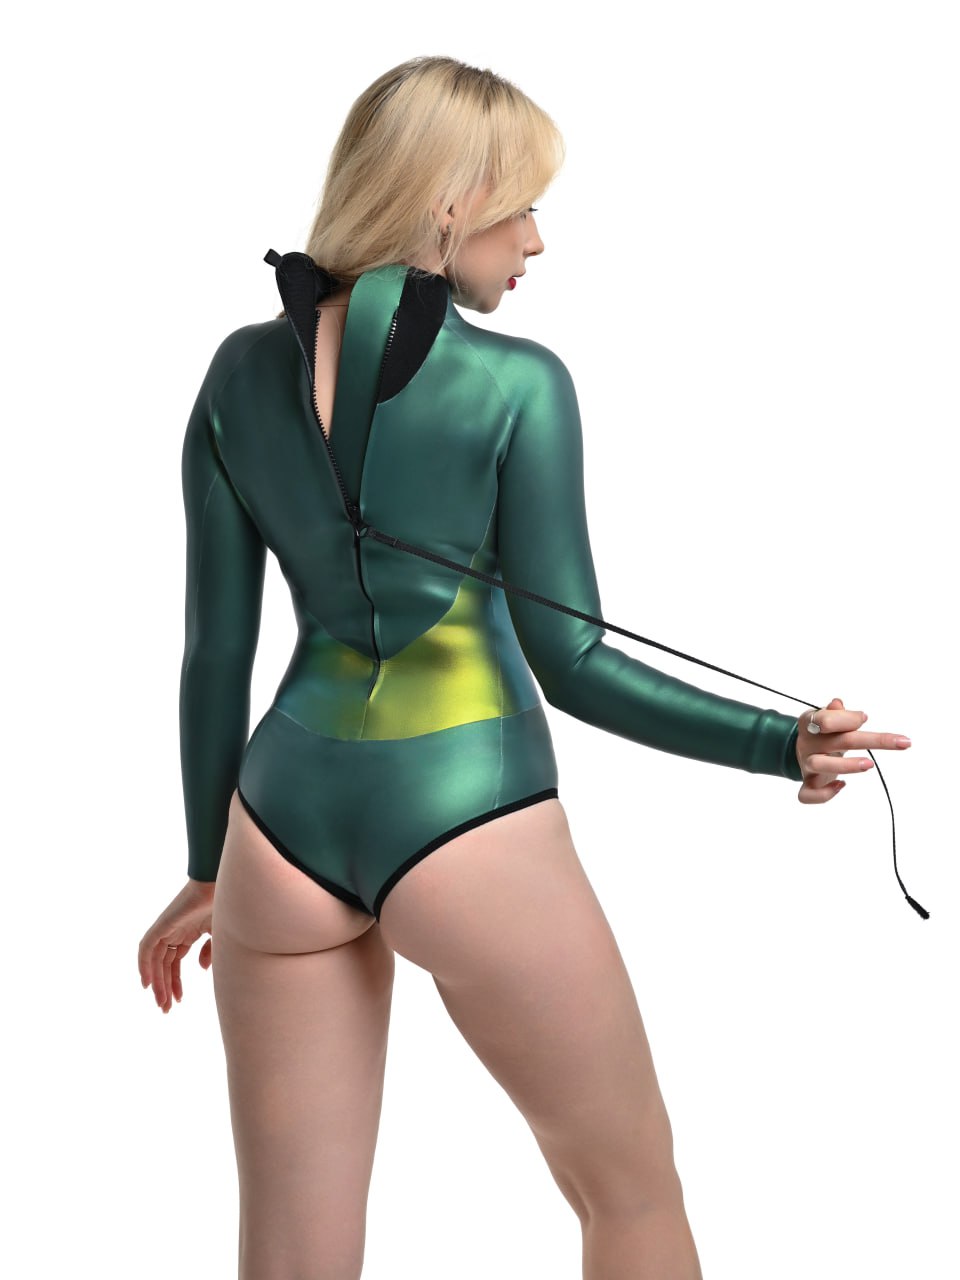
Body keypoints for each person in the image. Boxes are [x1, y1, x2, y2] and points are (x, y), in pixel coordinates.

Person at [137, 55, 913, 1280]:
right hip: (468, 814)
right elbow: (577, 659)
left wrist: (204, 865)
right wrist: (778, 741)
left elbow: (214, 652)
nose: (537, 240)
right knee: (630, 1190)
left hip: (275, 829)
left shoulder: (238, 372)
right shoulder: (518, 384)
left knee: (290, 1258)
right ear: (448, 203)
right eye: (522, 205)